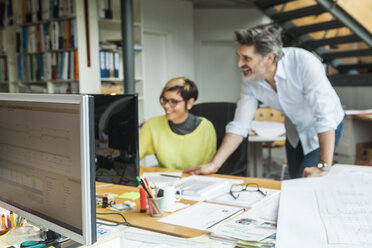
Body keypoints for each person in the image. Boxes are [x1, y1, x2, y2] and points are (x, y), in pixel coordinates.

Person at [184, 24, 344, 178]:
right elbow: (240, 125)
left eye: (246, 58)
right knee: (295, 178)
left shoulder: (304, 63)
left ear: (269, 58)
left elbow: (324, 118)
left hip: (325, 127)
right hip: (295, 129)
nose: (239, 64)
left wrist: (324, 166)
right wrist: (214, 164)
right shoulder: (250, 77)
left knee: (309, 180)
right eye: (239, 57)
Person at [139, 77, 217, 170]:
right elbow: (132, 158)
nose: (166, 106)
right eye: (164, 100)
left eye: (173, 102)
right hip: (164, 181)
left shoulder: (206, 128)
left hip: (196, 180)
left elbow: (207, 168)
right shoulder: (152, 125)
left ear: (190, 103)